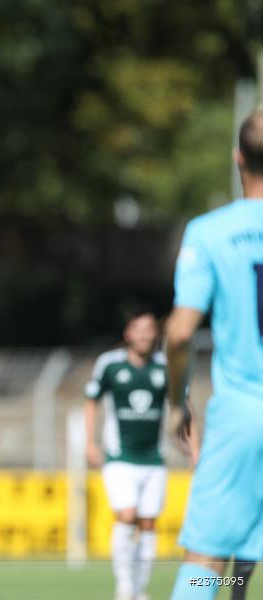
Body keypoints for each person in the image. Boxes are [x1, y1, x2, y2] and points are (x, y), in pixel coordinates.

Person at [167, 108, 263, 599]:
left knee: (204, 565)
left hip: (242, 416)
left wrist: (178, 404)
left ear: (237, 158)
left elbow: (181, 332)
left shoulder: (210, 232)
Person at [84, 308, 171, 600]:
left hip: (155, 458)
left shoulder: (165, 366)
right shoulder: (109, 364)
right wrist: (90, 442)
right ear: (128, 333)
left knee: (148, 523)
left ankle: (139, 588)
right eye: (139, 329)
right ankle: (123, 585)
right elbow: (91, 401)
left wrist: (191, 444)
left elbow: (182, 406)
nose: (144, 335)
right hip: (120, 457)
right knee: (127, 515)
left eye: (149, 329)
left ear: (155, 334)